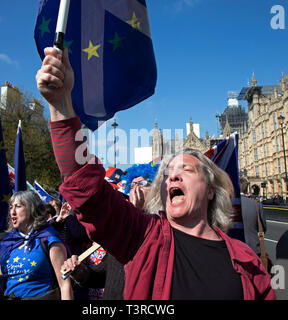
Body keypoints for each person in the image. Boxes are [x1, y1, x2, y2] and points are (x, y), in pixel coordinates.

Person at [36, 47, 274, 300]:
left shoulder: (245, 259)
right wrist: (60, 104)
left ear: (211, 189)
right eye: (167, 174)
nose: (172, 176)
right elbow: (87, 191)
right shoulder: (145, 238)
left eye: (186, 169)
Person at [61, 164, 159, 300]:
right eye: (132, 185)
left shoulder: (162, 229)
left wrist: (135, 217)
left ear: (157, 190)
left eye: (142, 183)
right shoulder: (121, 229)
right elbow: (104, 275)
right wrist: (80, 272)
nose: (135, 189)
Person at [0, 190, 73, 300]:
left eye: (18, 206)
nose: (12, 212)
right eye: (11, 207)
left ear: (32, 209)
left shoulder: (49, 240)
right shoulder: (9, 242)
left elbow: (65, 285)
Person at [240, 183, 267, 255]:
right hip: (253, 248)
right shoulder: (256, 204)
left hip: (234, 249)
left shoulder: (228, 204)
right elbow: (263, 226)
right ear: (246, 189)